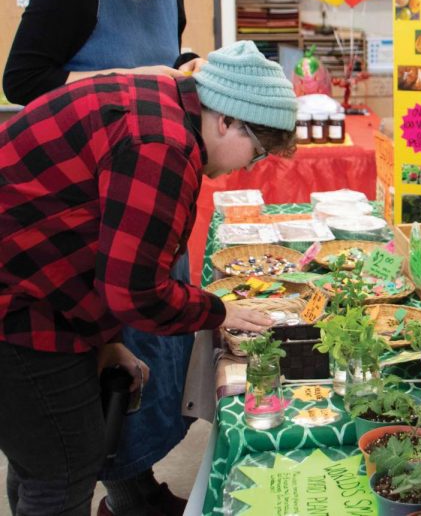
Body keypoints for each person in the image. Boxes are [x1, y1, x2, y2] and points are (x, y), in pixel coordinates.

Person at [0, 41, 298, 516]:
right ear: (225, 120)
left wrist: (104, 340)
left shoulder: (165, 99)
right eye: (256, 151)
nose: (247, 167)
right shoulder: (161, 146)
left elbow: (102, 245)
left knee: (39, 455)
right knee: (64, 465)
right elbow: (135, 291)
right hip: (18, 306)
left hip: (39, 284)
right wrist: (216, 312)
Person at [3, 0, 206, 516]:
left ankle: (130, 486)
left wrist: (180, 68)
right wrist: (141, 83)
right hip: (77, 216)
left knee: (135, 365)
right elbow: (24, 83)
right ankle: (100, 489)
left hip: (131, 200)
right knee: (63, 427)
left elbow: (157, 68)